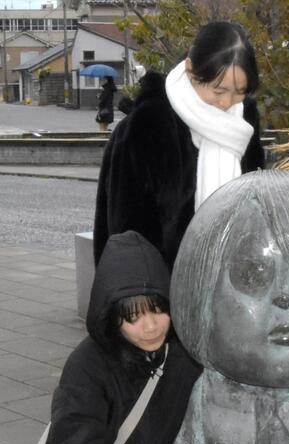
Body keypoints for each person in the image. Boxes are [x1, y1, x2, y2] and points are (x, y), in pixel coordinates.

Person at [48, 230, 201, 444]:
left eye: (158, 310)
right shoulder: (87, 366)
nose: (151, 327)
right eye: (133, 317)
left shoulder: (187, 356)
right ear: (112, 316)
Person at [93, 20, 265, 269]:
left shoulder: (244, 119)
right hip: (162, 288)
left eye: (240, 91)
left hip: (231, 282)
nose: (227, 102)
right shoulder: (150, 121)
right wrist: (144, 298)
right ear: (191, 69)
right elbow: (126, 228)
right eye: (218, 90)